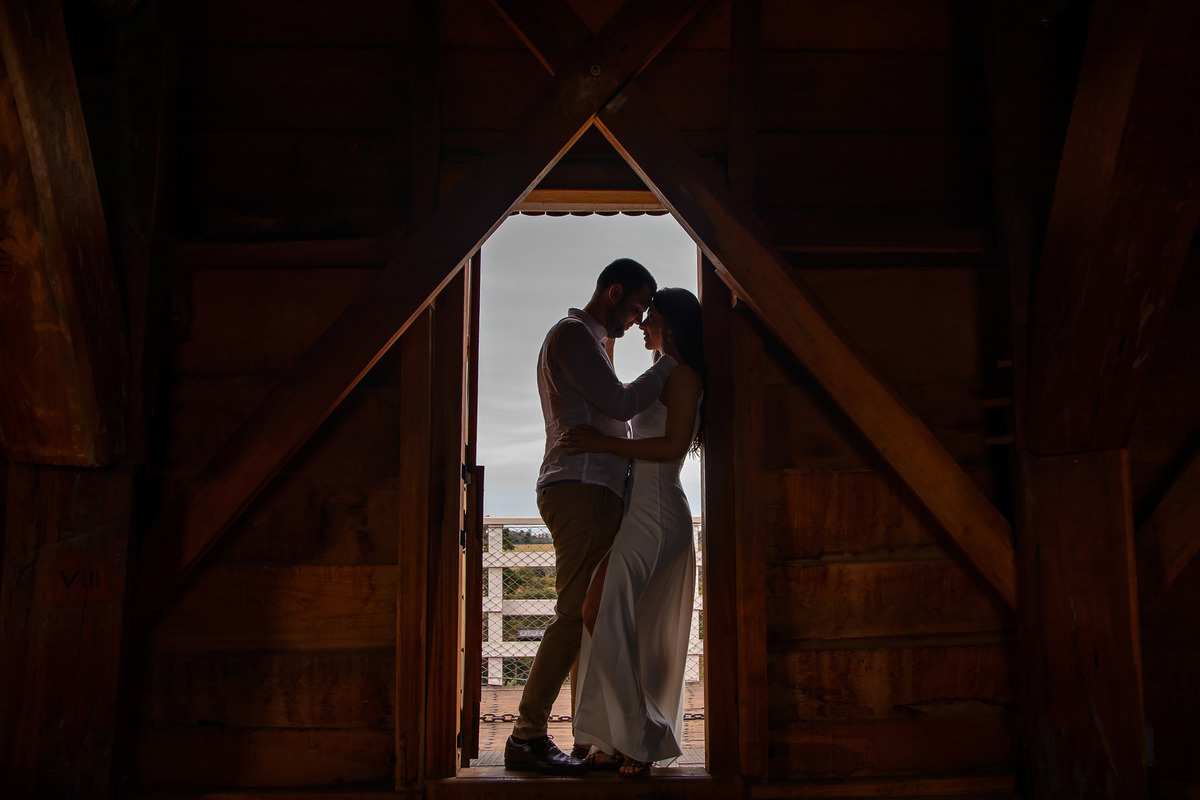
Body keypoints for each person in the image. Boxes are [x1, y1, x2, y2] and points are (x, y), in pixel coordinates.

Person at [504, 259, 678, 775]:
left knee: (590, 615)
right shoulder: (573, 335)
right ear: (614, 291)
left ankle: (589, 736)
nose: (639, 318)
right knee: (574, 612)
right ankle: (527, 735)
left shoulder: (592, 341)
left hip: (594, 489)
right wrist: (670, 361)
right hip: (580, 487)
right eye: (637, 306)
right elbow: (619, 404)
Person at [562, 287, 706, 778]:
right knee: (599, 612)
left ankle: (641, 740)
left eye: (651, 317)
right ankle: (611, 739)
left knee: (602, 612)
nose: (643, 324)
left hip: (659, 512)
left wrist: (602, 443)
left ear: (671, 326)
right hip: (639, 511)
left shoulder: (683, 376)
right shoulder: (662, 371)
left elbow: (671, 448)